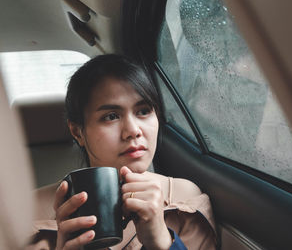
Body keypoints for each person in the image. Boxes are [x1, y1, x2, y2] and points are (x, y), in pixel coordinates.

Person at [27, 54, 217, 250]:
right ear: (78, 132)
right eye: (111, 116)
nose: (133, 130)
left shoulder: (184, 200)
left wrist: (162, 242)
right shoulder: (26, 215)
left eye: (143, 111)